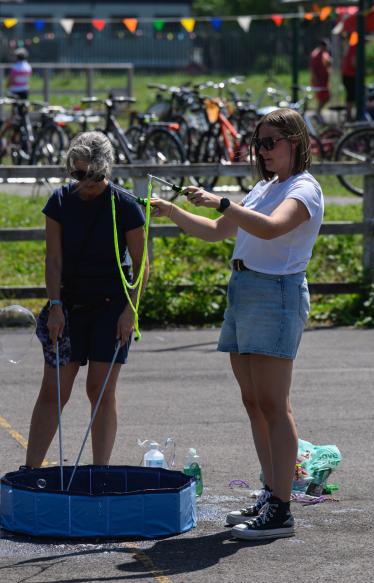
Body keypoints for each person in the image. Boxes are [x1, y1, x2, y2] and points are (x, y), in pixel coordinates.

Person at [149, 108, 323, 541]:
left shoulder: (305, 188)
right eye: (258, 143)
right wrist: (172, 211)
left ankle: (281, 509)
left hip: (276, 293)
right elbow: (215, 231)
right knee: (254, 403)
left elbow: (271, 229)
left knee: (274, 405)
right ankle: (271, 492)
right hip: (245, 290)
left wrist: (222, 201)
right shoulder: (264, 186)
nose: (262, 151)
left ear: (294, 143)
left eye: (271, 143)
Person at [25, 131, 150, 468]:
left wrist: (130, 311)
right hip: (68, 306)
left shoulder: (124, 205)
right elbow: (53, 260)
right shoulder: (60, 202)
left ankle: (100, 470)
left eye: (93, 175)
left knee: (99, 390)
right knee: (54, 391)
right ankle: (31, 468)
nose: (86, 183)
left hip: (112, 308)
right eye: (78, 174)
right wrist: (55, 306)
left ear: (106, 169)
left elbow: (142, 265)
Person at [309, 39, 332, 116]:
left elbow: (327, 65)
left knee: (326, 97)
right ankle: (317, 112)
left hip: (324, 80)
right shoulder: (315, 54)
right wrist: (315, 80)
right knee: (324, 97)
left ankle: (318, 112)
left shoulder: (324, 53)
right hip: (319, 81)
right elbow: (313, 69)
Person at [341, 42, 356, 121]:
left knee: (350, 95)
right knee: (351, 95)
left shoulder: (350, 47)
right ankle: (349, 114)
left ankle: (348, 113)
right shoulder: (355, 47)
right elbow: (353, 62)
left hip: (346, 74)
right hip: (350, 75)